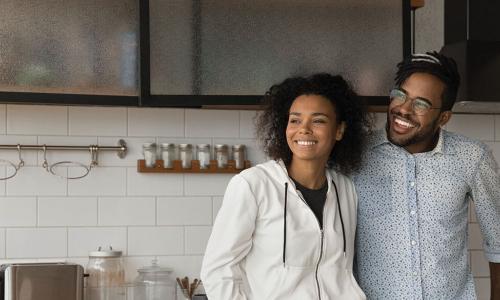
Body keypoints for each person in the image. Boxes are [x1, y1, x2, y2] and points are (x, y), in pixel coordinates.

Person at [201, 73, 370, 299]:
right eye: (295, 120)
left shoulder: (346, 189)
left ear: (339, 130)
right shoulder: (253, 185)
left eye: (318, 120)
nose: (304, 129)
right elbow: (218, 270)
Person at [353, 51, 500, 299]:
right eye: (401, 95)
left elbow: (498, 242)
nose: (404, 109)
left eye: (421, 104)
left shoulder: (472, 157)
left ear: (443, 117)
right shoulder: (355, 155)